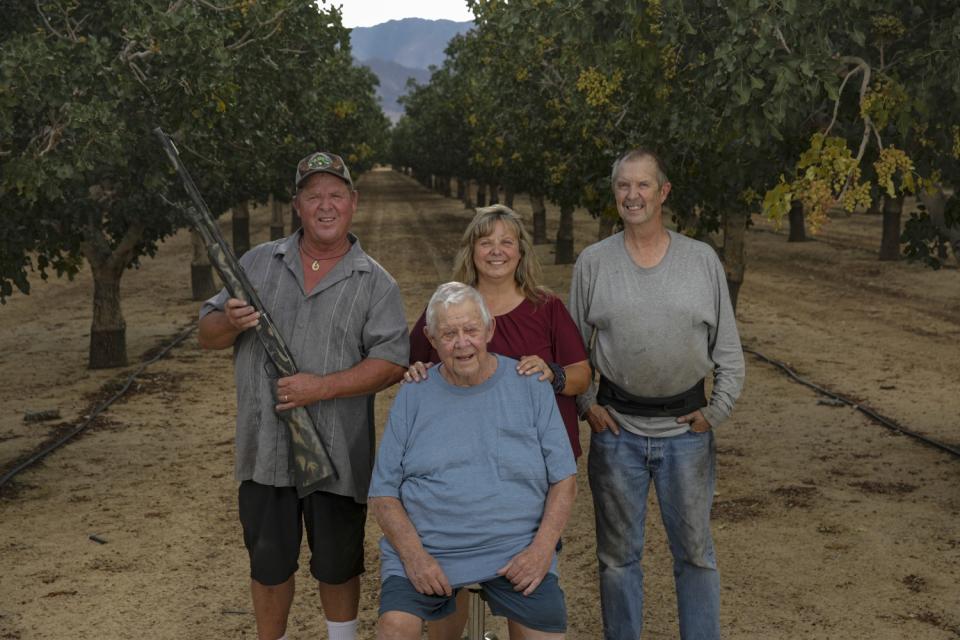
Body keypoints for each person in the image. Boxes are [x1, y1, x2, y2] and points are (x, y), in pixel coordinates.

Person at [198, 151, 408, 640]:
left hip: (336, 454)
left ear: (353, 202)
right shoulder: (254, 264)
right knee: (269, 565)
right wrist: (228, 321)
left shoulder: (376, 283)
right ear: (297, 205)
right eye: (313, 196)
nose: (325, 205)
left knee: (338, 566)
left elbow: (392, 363)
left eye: (335, 194)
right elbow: (206, 334)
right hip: (264, 453)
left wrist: (323, 387)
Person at [569, 148, 745, 640]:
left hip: (687, 433)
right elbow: (573, 352)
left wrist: (717, 410)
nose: (633, 195)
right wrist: (587, 406)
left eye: (643, 185)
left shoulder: (701, 260)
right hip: (617, 432)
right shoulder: (593, 263)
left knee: (695, 554)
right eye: (623, 185)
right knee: (617, 559)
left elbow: (728, 350)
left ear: (663, 192)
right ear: (614, 193)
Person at [369, 282, 577, 640]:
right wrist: (415, 557)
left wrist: (541, 550)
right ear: (431, 340)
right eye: (448, 333)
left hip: (515, 550)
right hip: (429, 548)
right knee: (394, 629)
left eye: (470, 330)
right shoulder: (413, 393)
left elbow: (564, 479)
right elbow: (382, 493)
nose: (461, 342)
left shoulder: (530, 384)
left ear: (489, 330)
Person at [406, 204, 590, 458]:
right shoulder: (447, 307)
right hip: (463, 447)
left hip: (536, 450)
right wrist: (416, 370)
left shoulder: (546, 307)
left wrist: (552, 374)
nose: (496, 251)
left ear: (520, 251)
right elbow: (410, 363)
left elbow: (581, 375)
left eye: (506, 242)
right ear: (471, 251)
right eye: (485, 242)